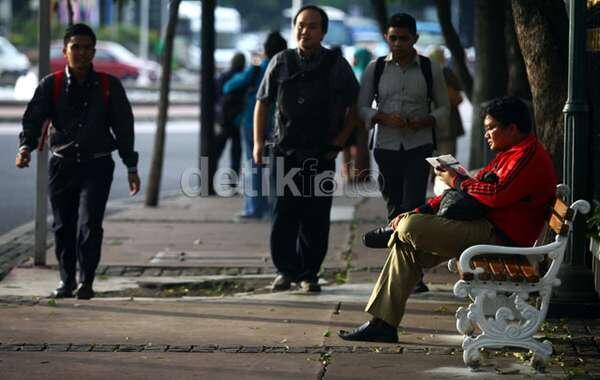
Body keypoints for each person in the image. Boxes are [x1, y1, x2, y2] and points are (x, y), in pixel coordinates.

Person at [338, 96, 557, 342]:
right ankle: (383, 324)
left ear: (512, 129)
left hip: (500, 238)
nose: (486, 134)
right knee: (405, 243)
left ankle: (399, 231)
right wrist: (419, 210)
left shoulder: (527, 156)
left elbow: (495, 195)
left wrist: (456, 180)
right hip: (483, 228)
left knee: (409, 229)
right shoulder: (507, 154)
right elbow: (467, 190)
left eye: (490, 128)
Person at [15, 23, 140, 300]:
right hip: (62, 165)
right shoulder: (52, 84)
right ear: (65, 50)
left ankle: (87, 281)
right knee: (63, 225)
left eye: (86, 48)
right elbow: (34, 118)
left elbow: (124, 128)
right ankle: (67, 280)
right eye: (75, 47)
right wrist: (25, 147)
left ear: (94, 51)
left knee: (90, 224)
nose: (81, 53)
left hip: (97, 165)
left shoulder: (109, 86)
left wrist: (131, 166)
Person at [253, 5, 359, 292]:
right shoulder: (281, 61)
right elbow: (262, 102)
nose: (305, 30)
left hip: (321, 153)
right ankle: (285, 271)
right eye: (300, 25)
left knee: (315, 216)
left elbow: (355, 107)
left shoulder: (337, 64)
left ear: (323, 31)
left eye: (312, 26)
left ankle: (309, 274)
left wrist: (340, 141)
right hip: (284, 152)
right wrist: (258, 142)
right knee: (283, 214)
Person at [358, 13, 450, 221]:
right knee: (393, 203)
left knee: (413, 205)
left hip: (420, 145)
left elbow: (444, 108)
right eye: (393, 38)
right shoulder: (375, 68)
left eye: (403, 38)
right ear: (386, 37)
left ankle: (409, 248)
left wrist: (426, 120)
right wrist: (382, 117)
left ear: (415, 39)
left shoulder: (430, 68)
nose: (397, 44)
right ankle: (397, 248)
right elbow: (362, 107)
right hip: (385, 146)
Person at [224, 32, 287, 220]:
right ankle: (275, 207)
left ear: (266, 50)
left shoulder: (260, 68)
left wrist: (254, 66)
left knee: (254, 166)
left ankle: (255, 209)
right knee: (278, 167)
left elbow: (229, 86)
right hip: (280, 125)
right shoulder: (287, 68)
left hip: (253, 123)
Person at [341, 48, 372, 183]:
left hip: (348, 114)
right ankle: (362, 174)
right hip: (362, 115)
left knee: (346, 145)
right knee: (361, 145)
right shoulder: (369, 74)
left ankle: (347, 173)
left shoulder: (353, 72)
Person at [213, 53, 246, 179]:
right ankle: (232, 183)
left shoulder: (224, 76)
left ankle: (208, 180)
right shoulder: (244, 77)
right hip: (238, 119)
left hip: (224, 119)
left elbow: (216, 97)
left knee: (216, 151)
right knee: (236, 153)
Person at [428, 46, 465, 156]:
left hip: (433, 124)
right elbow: (458, 96)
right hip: (446, 123)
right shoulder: (447, 73)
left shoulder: (426, 73)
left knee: (434, 161)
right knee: (447, 160)